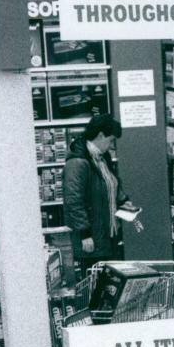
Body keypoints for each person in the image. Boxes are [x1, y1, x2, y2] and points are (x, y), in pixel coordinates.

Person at [64, 115, 137, 272]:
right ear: (100, 135)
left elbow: (112, 184)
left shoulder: (103, 158)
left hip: (108, 234)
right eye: (111, 140)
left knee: (109, 285)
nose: (112, 146)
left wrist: (124, 201)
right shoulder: (77, 163)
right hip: (91, 239)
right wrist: (85, 234)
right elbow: (74, 201)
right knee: (94, 286)